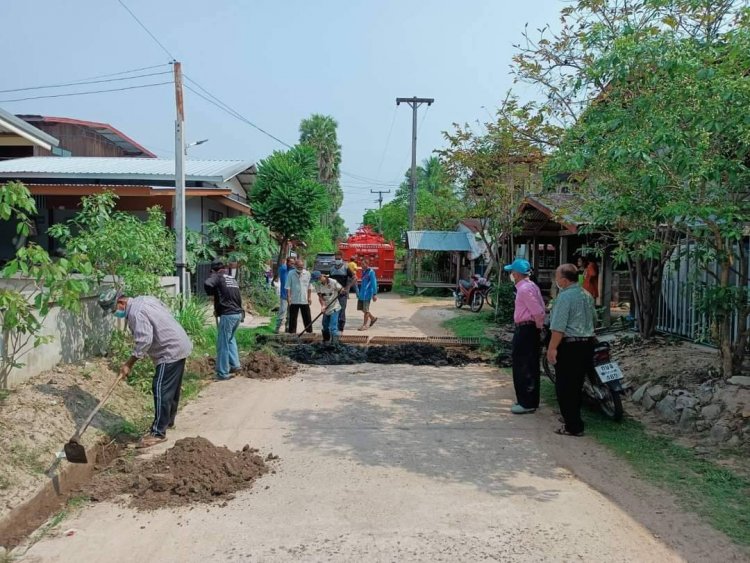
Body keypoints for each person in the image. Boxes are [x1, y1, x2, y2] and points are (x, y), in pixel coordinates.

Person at [98, 289, 193, 449]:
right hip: (179, 343)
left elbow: (144, 340)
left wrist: (129, 364)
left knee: (160, 388)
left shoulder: (135, 313)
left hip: (169, 351)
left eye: (115, 310)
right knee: (171, 388)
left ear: (121, 303)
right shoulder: (144, 298)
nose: (116, 314)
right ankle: (168, 421)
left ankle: (158, 433)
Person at [547, 263, 596, 436]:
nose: (556, 280)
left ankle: (573, 426)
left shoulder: (564, 297)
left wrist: (552, 348)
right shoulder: (587, 295)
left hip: (570, 346)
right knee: (576, 385)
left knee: (565, 386)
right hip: (587, 344)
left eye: (557, 277)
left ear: (564, 280)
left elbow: (558, 327)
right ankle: (572, 419)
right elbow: (594, 319)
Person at [504, 258, 546, 415]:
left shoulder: (524, 289)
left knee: (523, 366)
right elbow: (541, 307)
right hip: (529, 329)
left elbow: (537, 311)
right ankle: (529, 399)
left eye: (512, 272)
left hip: (526, 329)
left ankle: (526, 402)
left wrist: (538, 328)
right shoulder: (532, 286)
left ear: (516, 274)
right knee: (530, 365)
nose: (511, 274)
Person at [204, 260, 243, 381]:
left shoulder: (218, 276)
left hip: (228, 315)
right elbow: (230, 296)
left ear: (213, 271)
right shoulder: (231, 279)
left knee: (223, 344)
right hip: (237, 314)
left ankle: (222, 373)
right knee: (230, 340)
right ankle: (235, 365)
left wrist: (212, 284)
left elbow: (207, 284)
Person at [311, 271, 343, 343]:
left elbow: (341, 289)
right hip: (326, 307)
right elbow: (320, 296)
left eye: (316, 280)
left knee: (333, 327)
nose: (316, 282)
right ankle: (326, 341)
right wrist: (323, 306)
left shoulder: (332, 282)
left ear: (320, 277)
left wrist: (342, 291)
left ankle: (335, 344)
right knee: (325, 326)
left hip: (335, 307)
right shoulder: (317, 285)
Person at [328, 251, 355, 333]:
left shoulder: (346, 268)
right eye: (336, 258)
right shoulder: (331, 269)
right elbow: (329, 280)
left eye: (339, 258)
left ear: (341, 258)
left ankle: (341, 328)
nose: (337, 260)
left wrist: (348, 287)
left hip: (343, 294)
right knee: (333, 310)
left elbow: (354, 278)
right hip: (333, 293)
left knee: (342, 310)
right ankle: (333, 327)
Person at [286, 258, 312, 334]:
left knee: (307, 317)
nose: (300, 268)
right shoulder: (291, 273)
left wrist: (309, 297)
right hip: (294, 299)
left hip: (304, 299)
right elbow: (288, 287)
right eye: (299, 267)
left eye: (302, 267)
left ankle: (309, 332)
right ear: (295, 266)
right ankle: (292, 333)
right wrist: (289, 297)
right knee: (293, 318)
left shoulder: (307, 273)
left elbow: (309, 287)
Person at [276, 256, 296, 333]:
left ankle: (287, 329)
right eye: (291, 263)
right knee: (282, 311)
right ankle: (277, 328)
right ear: (287, 263)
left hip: (293, 296)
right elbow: (281, 263)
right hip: (284, 296)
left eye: (293, 263)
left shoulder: (294, 271)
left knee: (290, 314)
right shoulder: (282, 269)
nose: (292, 264)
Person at [357, 258, 378, 331]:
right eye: (361, 264)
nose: (361, 265)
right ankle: (373, 318)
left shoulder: (371, 272)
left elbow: (374, 283)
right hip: (362, 294)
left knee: (366, 310)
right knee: (361, 308)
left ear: (367, 264)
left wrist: (374, 294)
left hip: (367, 294)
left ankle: (365, 325)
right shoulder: (364, 271)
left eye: (363, 264)